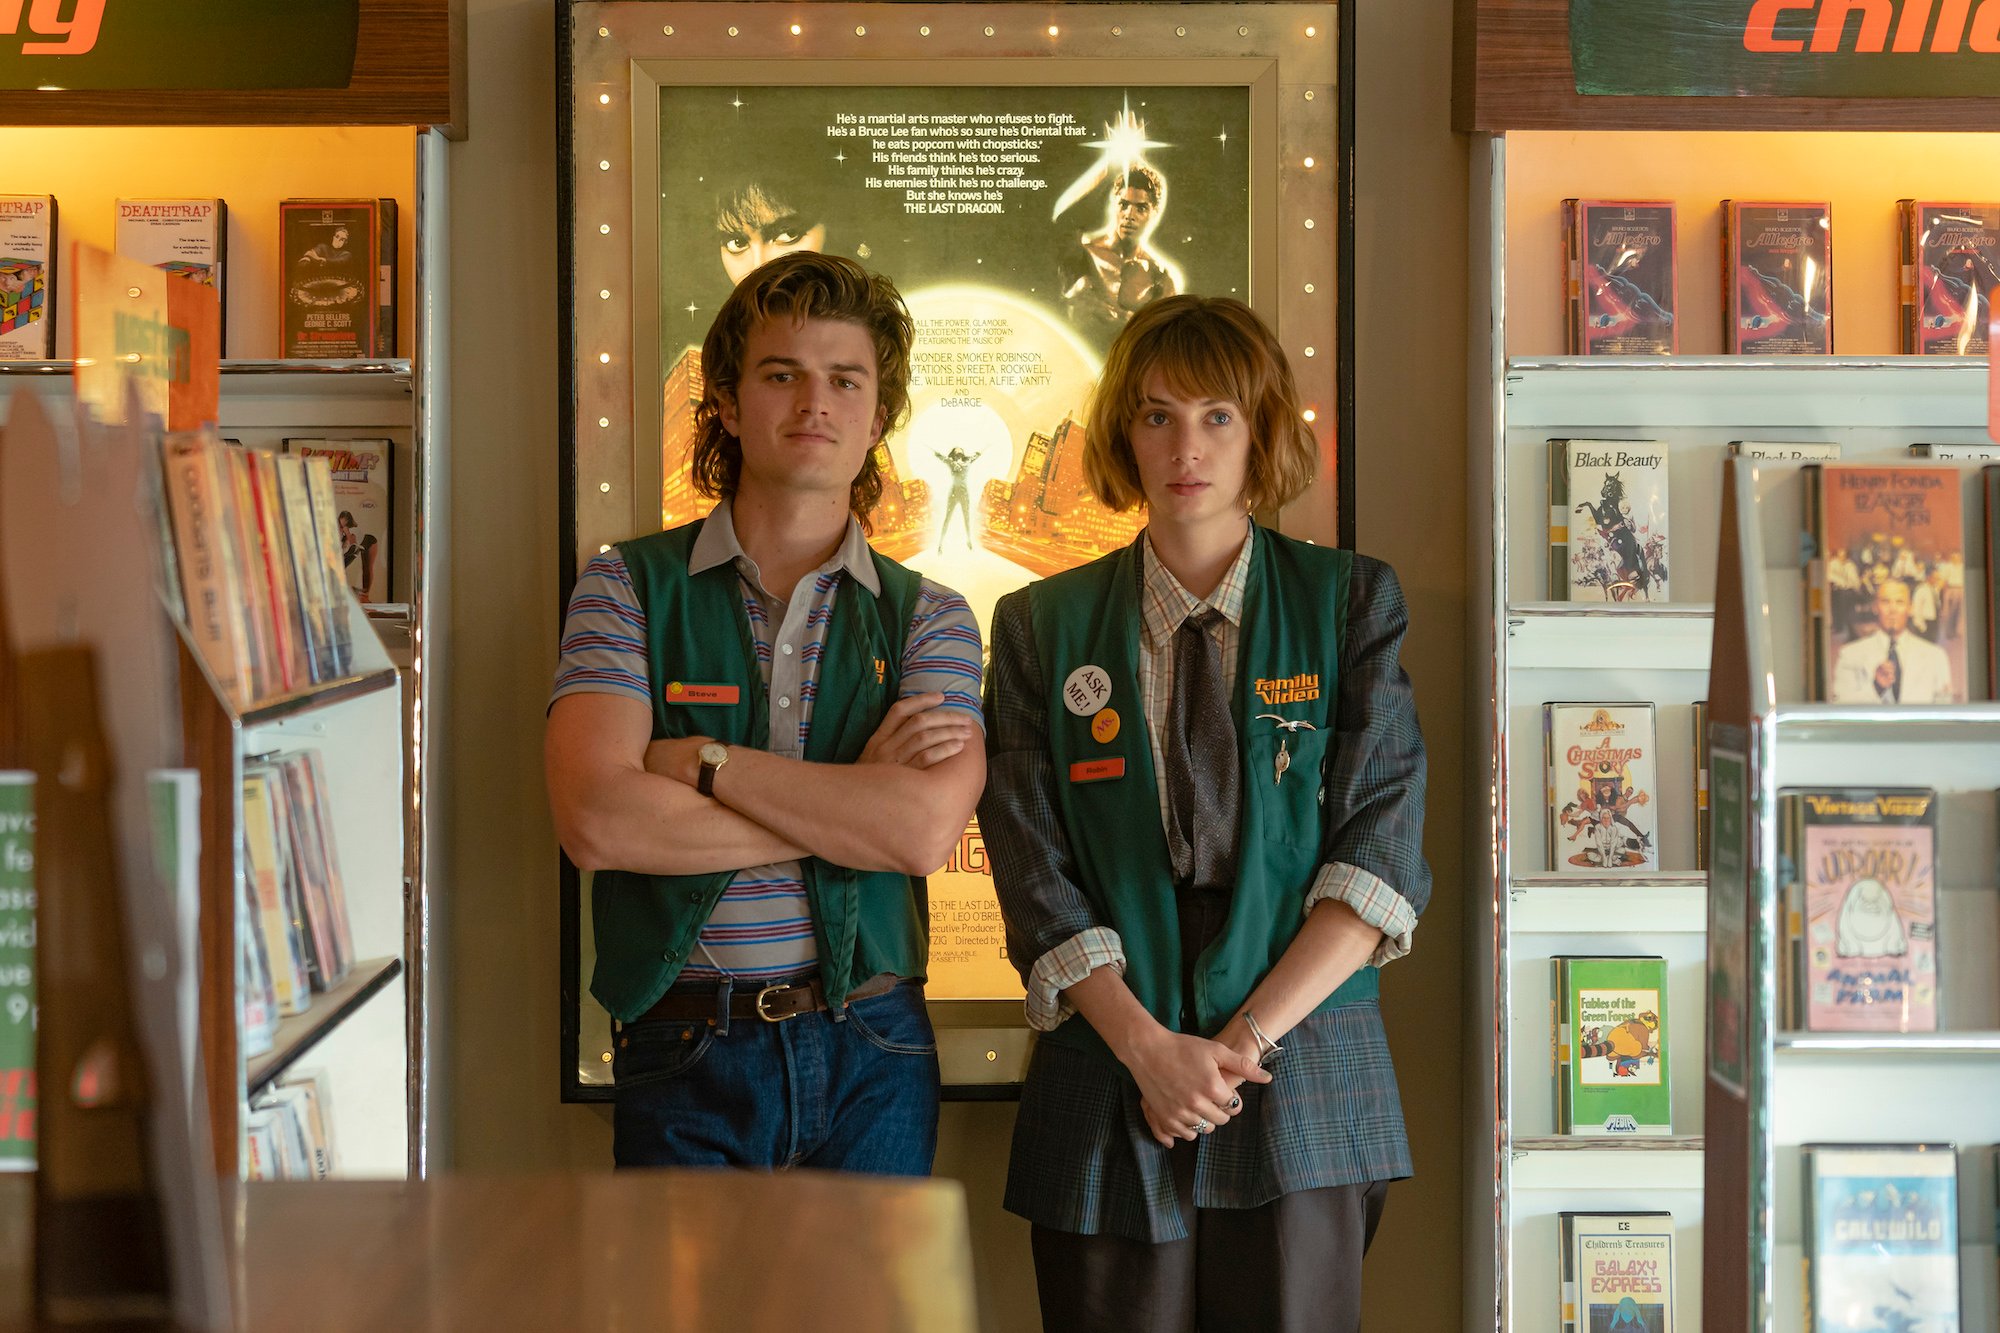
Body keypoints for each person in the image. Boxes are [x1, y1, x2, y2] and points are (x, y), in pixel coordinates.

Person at [979, 294, 1430, 1332]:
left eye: (1217, 415)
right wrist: (1149, 1049)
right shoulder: (1039, 627)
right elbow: (1029, 862)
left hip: (1302, 1059)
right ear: (1119, 437)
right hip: (1107, 1063)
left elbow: (1379, 850)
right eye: (1156, 416)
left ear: (1261, 429)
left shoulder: (1349, 604)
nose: (1185, 447)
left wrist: (1237, 1045)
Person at [545, 252, 986, 1175]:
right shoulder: (624, 585)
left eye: (843, 380)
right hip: (682, 1047)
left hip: (875, 1041)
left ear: (879, 416)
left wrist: (705, 762)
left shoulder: (932, 615)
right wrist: (847, 807)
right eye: (781, 374)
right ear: (728, 403)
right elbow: (594, 819)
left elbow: (917, 832)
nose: (812, 403)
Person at [1058, 164, 1181, 343]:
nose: (1129, 215)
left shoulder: (1160, 277)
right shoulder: (1084, 253)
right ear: (1113, 205)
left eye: (1141, 208)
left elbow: (1164, 341)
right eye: (1123, 205)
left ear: (1154, 213)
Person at [1830, 576, 1957, 704]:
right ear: (1875, 607)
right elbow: (1840, 705)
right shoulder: (1850, 654)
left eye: (1900, 602)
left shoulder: (1935, 656)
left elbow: (1944, 711)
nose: (1893, 609)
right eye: (1885, 602)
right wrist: (1876, 687)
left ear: (1910, 608)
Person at [933, 446, 982, 551]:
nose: (959, 451)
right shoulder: (951, 462)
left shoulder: (968, 461)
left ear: (963, 453)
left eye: (960, 450)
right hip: (953, 493)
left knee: (966, 517)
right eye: (957, 451)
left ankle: (969, 540)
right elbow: (943, 458)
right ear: (954, 453)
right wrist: (937, 454)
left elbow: (975, 456)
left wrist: (978, 453)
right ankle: (940, 544)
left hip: (964, 493)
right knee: (947, 518)